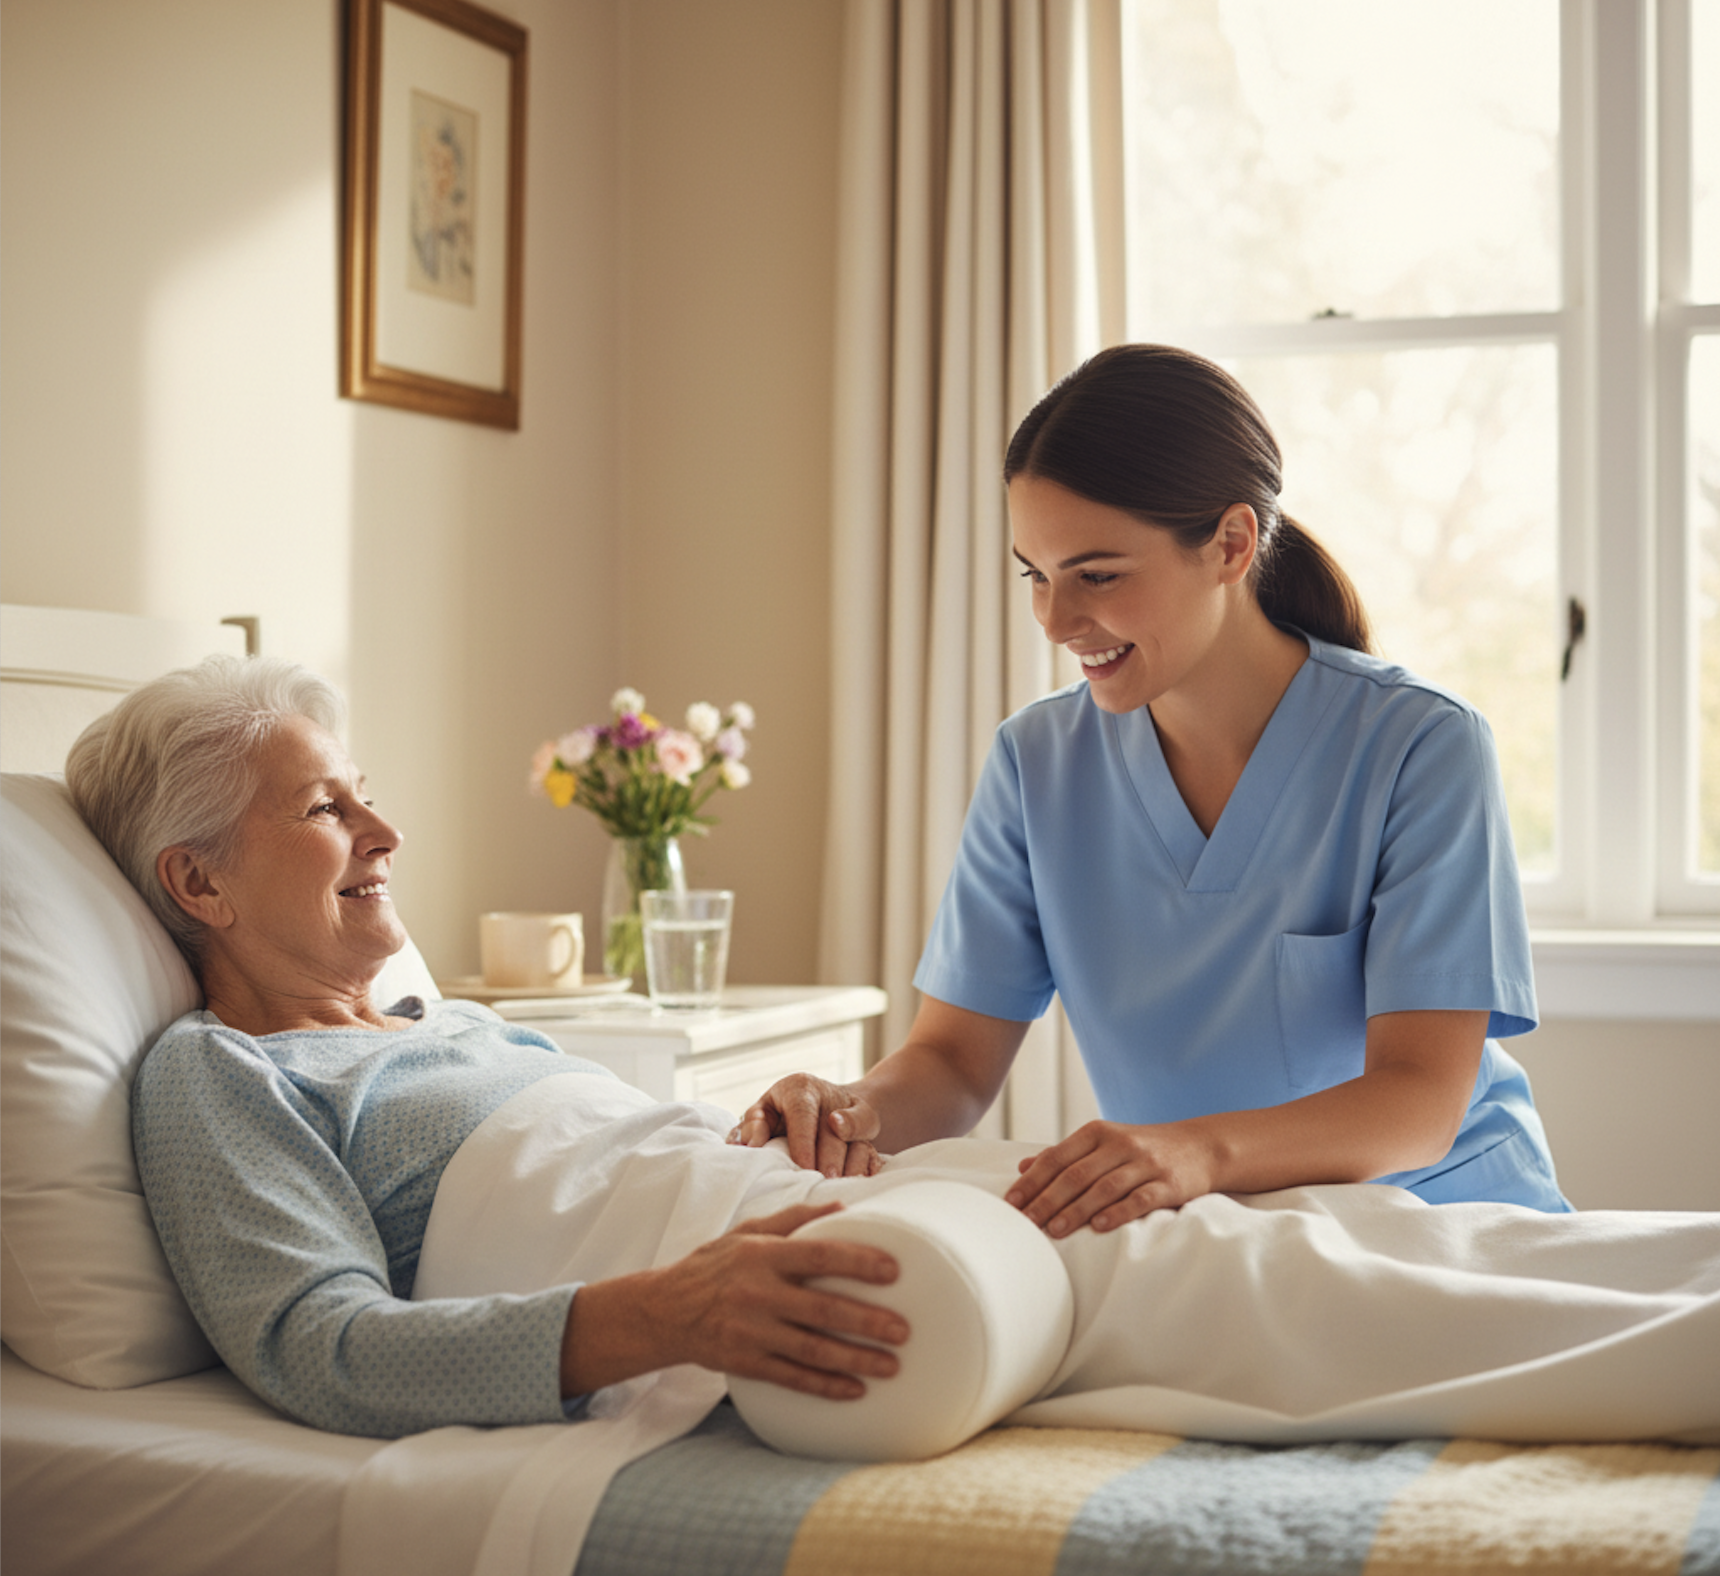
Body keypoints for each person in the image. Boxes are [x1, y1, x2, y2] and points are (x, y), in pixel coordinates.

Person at [734, 343, 1567, 1228]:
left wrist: (1193, 1150)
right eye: (1035, 575)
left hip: (1446, 1221)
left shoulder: (1421, 746)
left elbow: (1419, 1102)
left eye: (1097, 575)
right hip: (1209, 1236)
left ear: (1231, 545)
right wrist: (848, 1110)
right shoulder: (1037, 762)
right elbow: (951, 1065)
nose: (1055, 620)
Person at [68, 656, 908, 1438]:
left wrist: (774, 1121)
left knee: (1022, 1215)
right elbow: (320, 1346)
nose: (386, 831)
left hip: (811, 1207)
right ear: (199, 882)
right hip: (775, 1304)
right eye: (328, 808)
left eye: (365, 795)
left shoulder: (459, 1023)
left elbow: (632, 1171)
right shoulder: (222, 1071)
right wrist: (667, 1317)